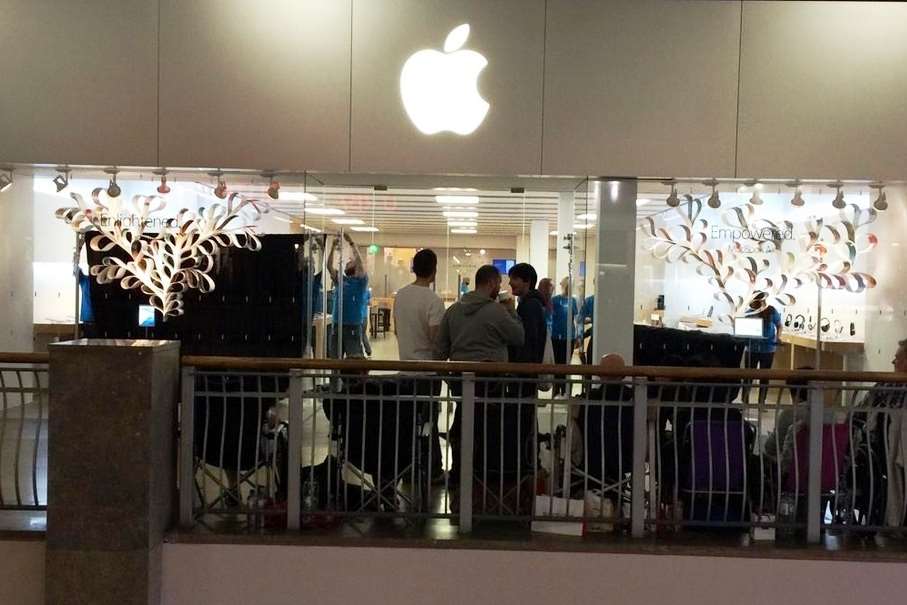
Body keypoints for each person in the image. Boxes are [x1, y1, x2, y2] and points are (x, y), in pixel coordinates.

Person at [436, 264, 525, 478]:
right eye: (499, 284)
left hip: (460, 380)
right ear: (492, 283)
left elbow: (439, 350)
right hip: (490, 381)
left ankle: (459, 471)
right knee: (488, 429)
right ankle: (483, 473)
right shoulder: (496, 311)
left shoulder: (453, 310)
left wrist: (449, 378)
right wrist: (512, 312)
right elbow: (518, 337)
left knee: (462, 421)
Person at [394, 249, 446, 479]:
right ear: (434, 271)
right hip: (427, 371)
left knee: (407, 421)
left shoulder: (401, 295)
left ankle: (408, 467)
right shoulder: (433, 300)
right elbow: (436, 337)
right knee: (428, 421)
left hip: (404, 368)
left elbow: (396, 330)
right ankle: (432, 468)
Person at [327, 233, 369, 359]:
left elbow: (360, 263)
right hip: (337, 324)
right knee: (334, 359)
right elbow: (329, 266)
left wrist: (351, 242)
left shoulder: (361, 282)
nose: (348, 262)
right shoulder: (341, 280)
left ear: (355, 268)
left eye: (351, 262)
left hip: (352, 325)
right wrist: (332, 247)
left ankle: (353, 380)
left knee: (353, 359)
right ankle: (333, 379)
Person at [743, 291, 782, 404]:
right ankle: (745, 401)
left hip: (768, 348)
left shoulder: (771, 311)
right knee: (748, 376)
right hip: (752, 348)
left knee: (764, 377)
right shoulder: (749, 312)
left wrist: (778, 337)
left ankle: (761, 402)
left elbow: (779, 325)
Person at [550, 277, 579, 396]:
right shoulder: (555, 300)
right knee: (557, 362)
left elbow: (574, 318)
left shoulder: (573, 300)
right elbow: (550, 316)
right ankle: (556, 388)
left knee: (566, 362)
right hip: (556, 335)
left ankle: (564, 388)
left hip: (569, 336)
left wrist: (577, 335)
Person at [577, 290, 595, 364]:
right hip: (595, 335)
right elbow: (580, 319)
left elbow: (580, 319)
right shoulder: (590, 300)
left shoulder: (590, 300)